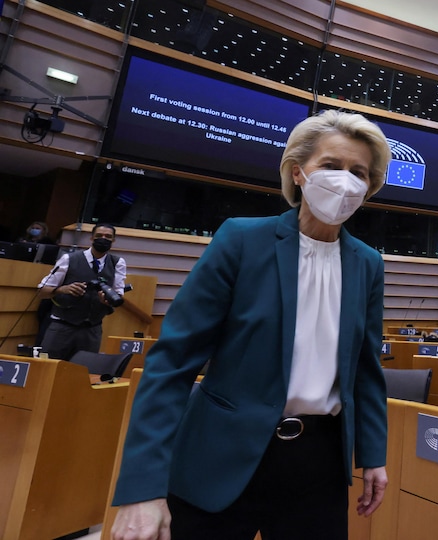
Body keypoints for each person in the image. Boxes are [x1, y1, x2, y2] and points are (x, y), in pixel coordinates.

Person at [110, 111, 391, 540]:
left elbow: (366, 370)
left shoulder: (368, 263)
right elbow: (172, 364)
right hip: (219, 458)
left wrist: (373, 454)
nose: (346, 180)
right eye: (331, 166)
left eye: (359, 172)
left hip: (319, 468)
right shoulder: (241, 239)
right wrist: (141, 488)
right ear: (298, 173)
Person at [36, 224, 126, 360]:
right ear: (91, 238)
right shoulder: (69, 259)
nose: (103, 239)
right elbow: (41, 291)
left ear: (113, 240)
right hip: (61, 327)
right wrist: (63, 289)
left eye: (108, 237)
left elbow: (118, 295)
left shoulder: (117, 263)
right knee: (48, 370)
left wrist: (106, 300)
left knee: (83, 373)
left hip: (92, 329)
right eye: (99, 236)